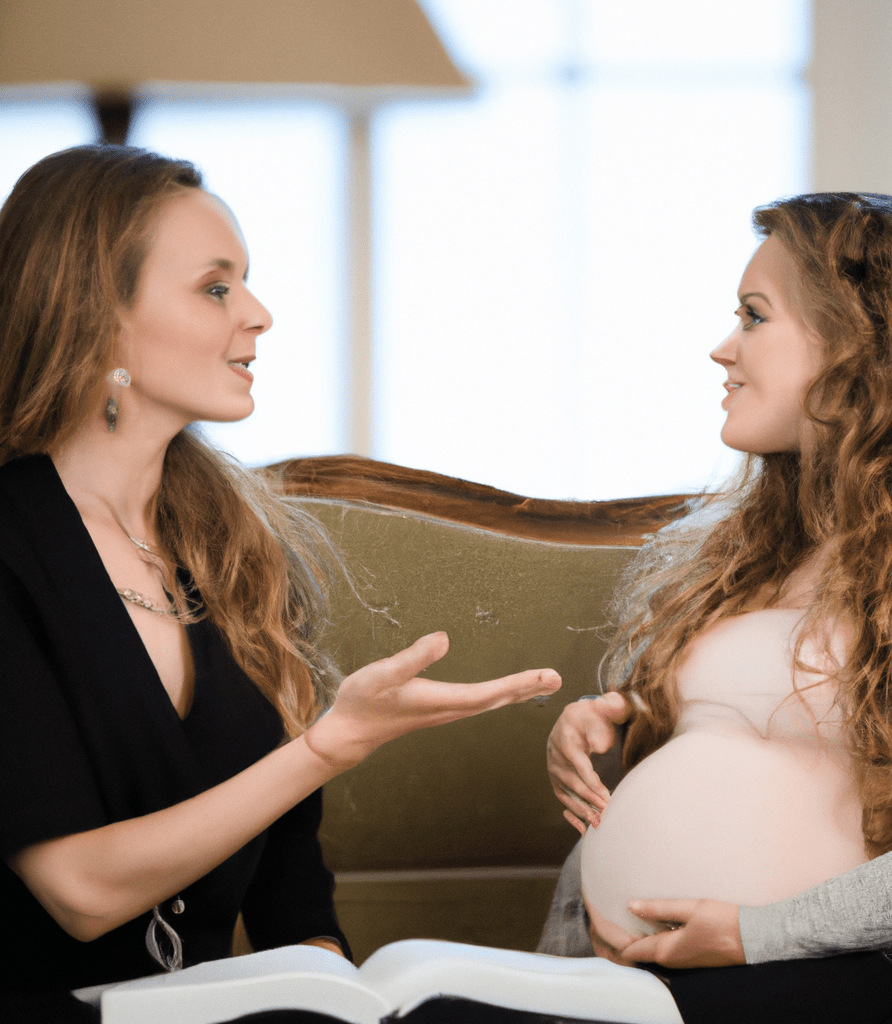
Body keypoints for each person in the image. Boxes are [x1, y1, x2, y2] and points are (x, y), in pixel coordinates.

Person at [0, 144, 561, 1023]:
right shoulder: (9, 543)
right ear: (98, 314)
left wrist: (336, 983)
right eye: (216, 288)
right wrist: (328, 748)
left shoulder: (236, 548)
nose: (258, 314)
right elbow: (79, 889)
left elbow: (289, 882)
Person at [544, 192, 892, 1022]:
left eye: (753, 316)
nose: (722, 348)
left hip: (837, 970)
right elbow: (782, 727)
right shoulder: (759, 535)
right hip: (649, 968)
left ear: (858, 341)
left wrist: (760, 931)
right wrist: (620, 718)